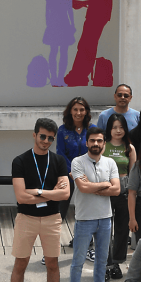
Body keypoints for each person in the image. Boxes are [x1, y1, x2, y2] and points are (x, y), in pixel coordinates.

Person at [2, 118, 72, 282]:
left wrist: (39, 192)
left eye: (50, 138)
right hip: (27, 218)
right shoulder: (20, 161)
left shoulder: (58, 161)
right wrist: (51, 194)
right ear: (34, 135)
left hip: (52, 219)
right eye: (43, 136)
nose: (46, 141)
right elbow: (21, 197)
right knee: (20, 263)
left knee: (52, 264)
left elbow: (65, 194)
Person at [67, 127, 121, 282]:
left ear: (104, 143)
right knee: (78, 261)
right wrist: (105, 184)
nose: (96, 144)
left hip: (105, 218)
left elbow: (117, 189)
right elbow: (82, 188)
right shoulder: (77, 162)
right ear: (87, 142)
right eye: (92, 140)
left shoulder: (110, 162)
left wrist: (92, 186)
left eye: (99, 141)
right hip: (84, 218)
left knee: (102, 259)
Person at [63, 0, 113, 87]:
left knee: (86, 45)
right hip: (98, 14)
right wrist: (84, 3)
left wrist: (81, 3)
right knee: (87, 45)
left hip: (97, 15)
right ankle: (79, 75)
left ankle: (78, 76)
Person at [102, 113, 136, 279]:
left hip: (124, 192)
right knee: (105, 230)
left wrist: (132, 193)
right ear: (109, 129)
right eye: (114, 127)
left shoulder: (130, 148)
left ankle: (116, 263)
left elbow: (133, 173)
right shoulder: (103, 146)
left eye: (121, 127)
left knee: (122, 230)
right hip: (106, 192)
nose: (118, 130)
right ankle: (105, 264)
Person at [56, 96, 91, 226]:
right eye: (75, 109)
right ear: (70, 111)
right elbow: (60, 153)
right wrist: (74, 172)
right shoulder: (62, 130)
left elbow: (95, 151)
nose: (78, 113)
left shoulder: (91, 129)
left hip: (87, 175)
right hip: (68, 175)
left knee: (86, 209)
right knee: (61, 209)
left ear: (86, 111)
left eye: (81, 109)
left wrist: (83, 173)